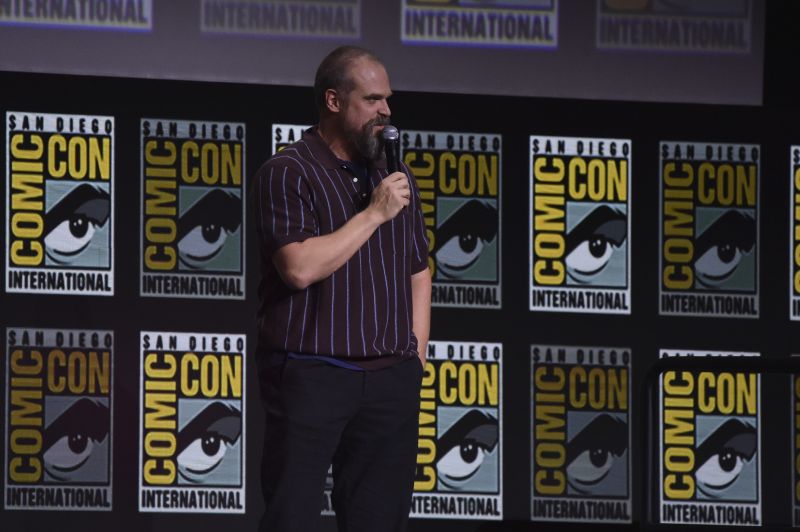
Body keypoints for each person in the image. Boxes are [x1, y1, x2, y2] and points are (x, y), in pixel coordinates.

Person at [251, 45, 432, 532]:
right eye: (372, 99)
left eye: (388, 100)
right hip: (312, 375)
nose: (386, 111)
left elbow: (419, 269)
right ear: (333, 101)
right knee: (293, 517)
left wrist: (415, 355)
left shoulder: (394, 178)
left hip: (390, 380)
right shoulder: (287, 172)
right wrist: (373, 214)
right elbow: (299, 268)